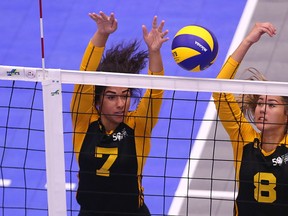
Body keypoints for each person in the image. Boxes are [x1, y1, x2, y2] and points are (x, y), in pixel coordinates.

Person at [70, 11, 168, 215]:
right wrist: (102, 35)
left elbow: (156, 90)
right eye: (112, 97)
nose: (121, 103)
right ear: (97, 100)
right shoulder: (83, 121)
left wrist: (154, 52)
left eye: (125, 95)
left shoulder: (138, 125)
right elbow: (84, 76)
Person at [213, 22, 288, 216]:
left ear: (286, 114)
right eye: (260, 104)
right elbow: (220, 91)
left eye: (271, 105)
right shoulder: (243, 136)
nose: (262, 110)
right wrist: (247, 41)